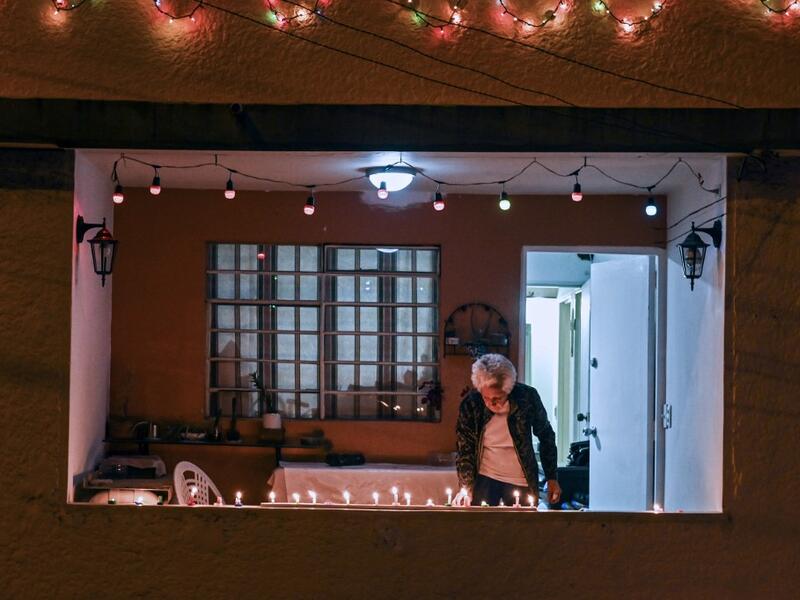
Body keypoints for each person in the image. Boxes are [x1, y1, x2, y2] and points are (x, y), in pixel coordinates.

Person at [454, 353, 561, 507]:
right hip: (484, 479)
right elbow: (465, 450)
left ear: (508, 389)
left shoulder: (527, 398)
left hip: (521, 480)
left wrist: (552, 477)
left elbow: (546, 436)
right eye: (486, 398)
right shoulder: (471, 404)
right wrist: (466, 487)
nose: (491, 403)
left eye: (497, 398)